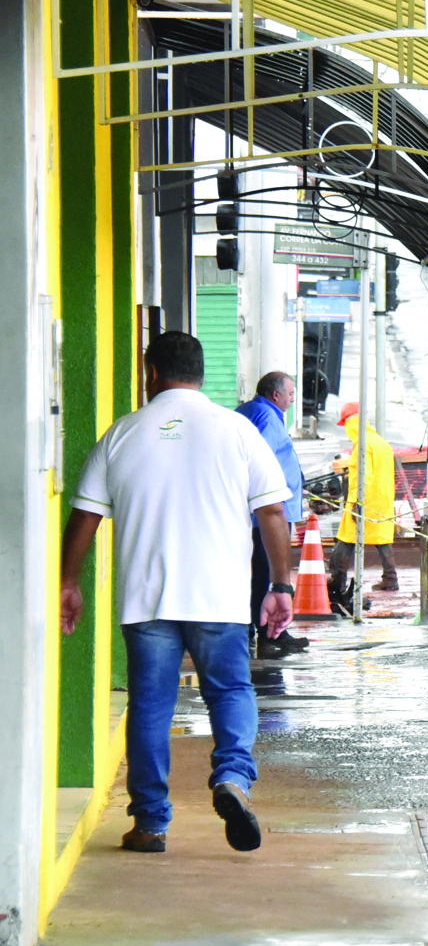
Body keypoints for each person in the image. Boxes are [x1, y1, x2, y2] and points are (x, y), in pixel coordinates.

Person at [60, 331, 293, 854]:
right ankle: (232, 778)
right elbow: (273, 513)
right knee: (230, 692)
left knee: (150, 705)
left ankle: (150, 823)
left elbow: (85, 518)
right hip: (220, 598)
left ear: (151, 373)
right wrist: (281, 584)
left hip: (147, 602)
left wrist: (68, 582)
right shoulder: (237, 431)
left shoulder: (122, 434)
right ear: (201, 373)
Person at [234, 371, 309, 659]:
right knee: (267, 570)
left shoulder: (253, 411)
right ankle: (269, 630)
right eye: (290, 394)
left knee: (260, 570)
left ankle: (261, 627)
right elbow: (259, 460)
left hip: (265, 509)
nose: (292, 399)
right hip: (268, 511)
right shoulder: (265, 416)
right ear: (276, 394)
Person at [329, 401, 398, 611]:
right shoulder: (380, 442)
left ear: (351, 423)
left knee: (346, 539)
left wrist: (358, 502)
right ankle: (390, 578)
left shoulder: (363, 444)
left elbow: (363, 475)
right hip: (383, 499)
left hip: (364, 500)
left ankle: (337, 581)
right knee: (382, 540)